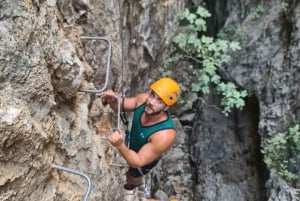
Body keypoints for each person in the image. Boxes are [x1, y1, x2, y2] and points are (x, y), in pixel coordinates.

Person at [99, 77, 180, 199]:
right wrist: (113, 100)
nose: (151, 102)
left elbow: (138, 161)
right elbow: (120, 105)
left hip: (144, 159)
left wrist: (120, 146)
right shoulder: (143, 100)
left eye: (159, 101)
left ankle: (134, 185)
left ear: (166, 107)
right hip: (134, 143)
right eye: (152, 95)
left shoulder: (165, 135)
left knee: (133, 174)